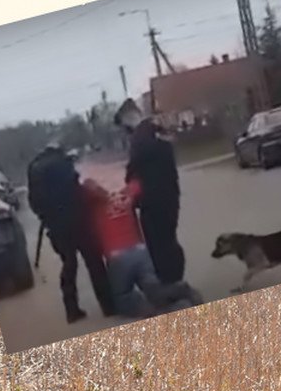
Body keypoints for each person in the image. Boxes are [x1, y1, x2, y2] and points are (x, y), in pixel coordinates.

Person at [26, 142, 115, 323]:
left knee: (69, 264)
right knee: (94, 262)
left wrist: (47, 218)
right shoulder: (63, 162)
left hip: (57, 227)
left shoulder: (34, 169)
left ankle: (71, 309)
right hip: (79, 220)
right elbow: (76, 189)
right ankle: (108, 305)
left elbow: (34, 203)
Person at [82, 178, 196, 316]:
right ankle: (180, 291)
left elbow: (87, 185)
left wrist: (104, 195)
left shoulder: (96, 205)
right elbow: (137, 183)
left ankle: (149, 311)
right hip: (140, 251)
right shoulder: (126, 197)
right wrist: (123, 194)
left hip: (118, 256)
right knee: (154, 288)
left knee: (123, 296)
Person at [114, 99, 186, 284]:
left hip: (154, 200)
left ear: (129, 118)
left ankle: (171, 282)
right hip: (168, 195)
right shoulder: (156, 131)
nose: (125, 133)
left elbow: (137, 167)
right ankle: (174, 278)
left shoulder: (143, 137)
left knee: (159, 242)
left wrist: (130, 180)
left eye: (124, 127)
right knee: (167, 238)